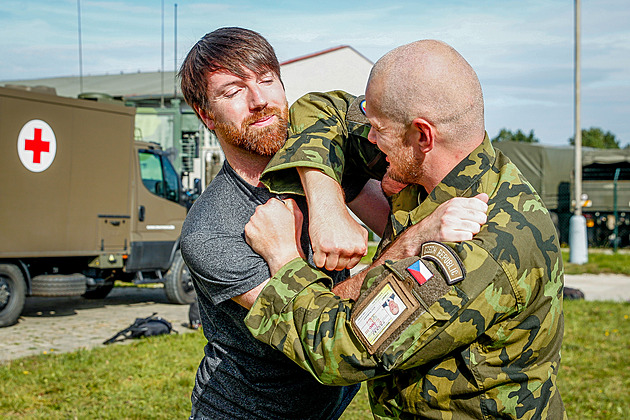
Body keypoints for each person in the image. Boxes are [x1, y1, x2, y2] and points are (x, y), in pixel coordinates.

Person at [244, 39, 566, 419]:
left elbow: (342, 349)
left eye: (378, 130)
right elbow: (319, 107)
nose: (372, 140)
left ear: (423, 136)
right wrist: (327, 205)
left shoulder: (472, 244)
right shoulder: (450, 164)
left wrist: (283, 259)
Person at [178, 28, 487, 419]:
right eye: (233, 91)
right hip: (248, 411)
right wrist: (414, 239)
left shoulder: (327, 164)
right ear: (207, 115)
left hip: (327, 407)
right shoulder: (212, 230)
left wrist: (346, 193)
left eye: (266, 79)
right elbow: (309, 321)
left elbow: (346, 121)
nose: (259, 101)